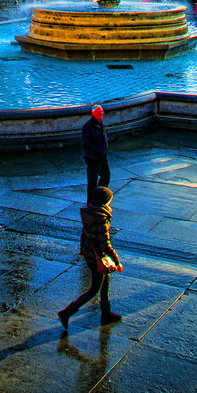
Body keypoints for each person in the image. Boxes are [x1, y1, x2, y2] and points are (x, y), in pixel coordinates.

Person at [57, 186, 123, 329]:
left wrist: (82, 250)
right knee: (94, 289)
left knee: (106, 280)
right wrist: (117, 261)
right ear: (106, 202)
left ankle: (106, 313)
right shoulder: (101, 218)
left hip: (89, 253)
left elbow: (84, 234)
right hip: (97, 256)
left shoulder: (90, 213)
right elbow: (105, 244)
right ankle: (66, 313)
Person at [82, 105, 110, 204]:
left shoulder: (101, 123)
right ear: (93, 113)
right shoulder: (88, 126)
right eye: (99, 112)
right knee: (92, 183)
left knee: (106, 176)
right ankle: (91, 204)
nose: (101, 114)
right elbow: (86, 144)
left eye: (102, 112)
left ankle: (99, 198)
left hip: (102, 157)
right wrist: (96, 151)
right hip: (93, 158)